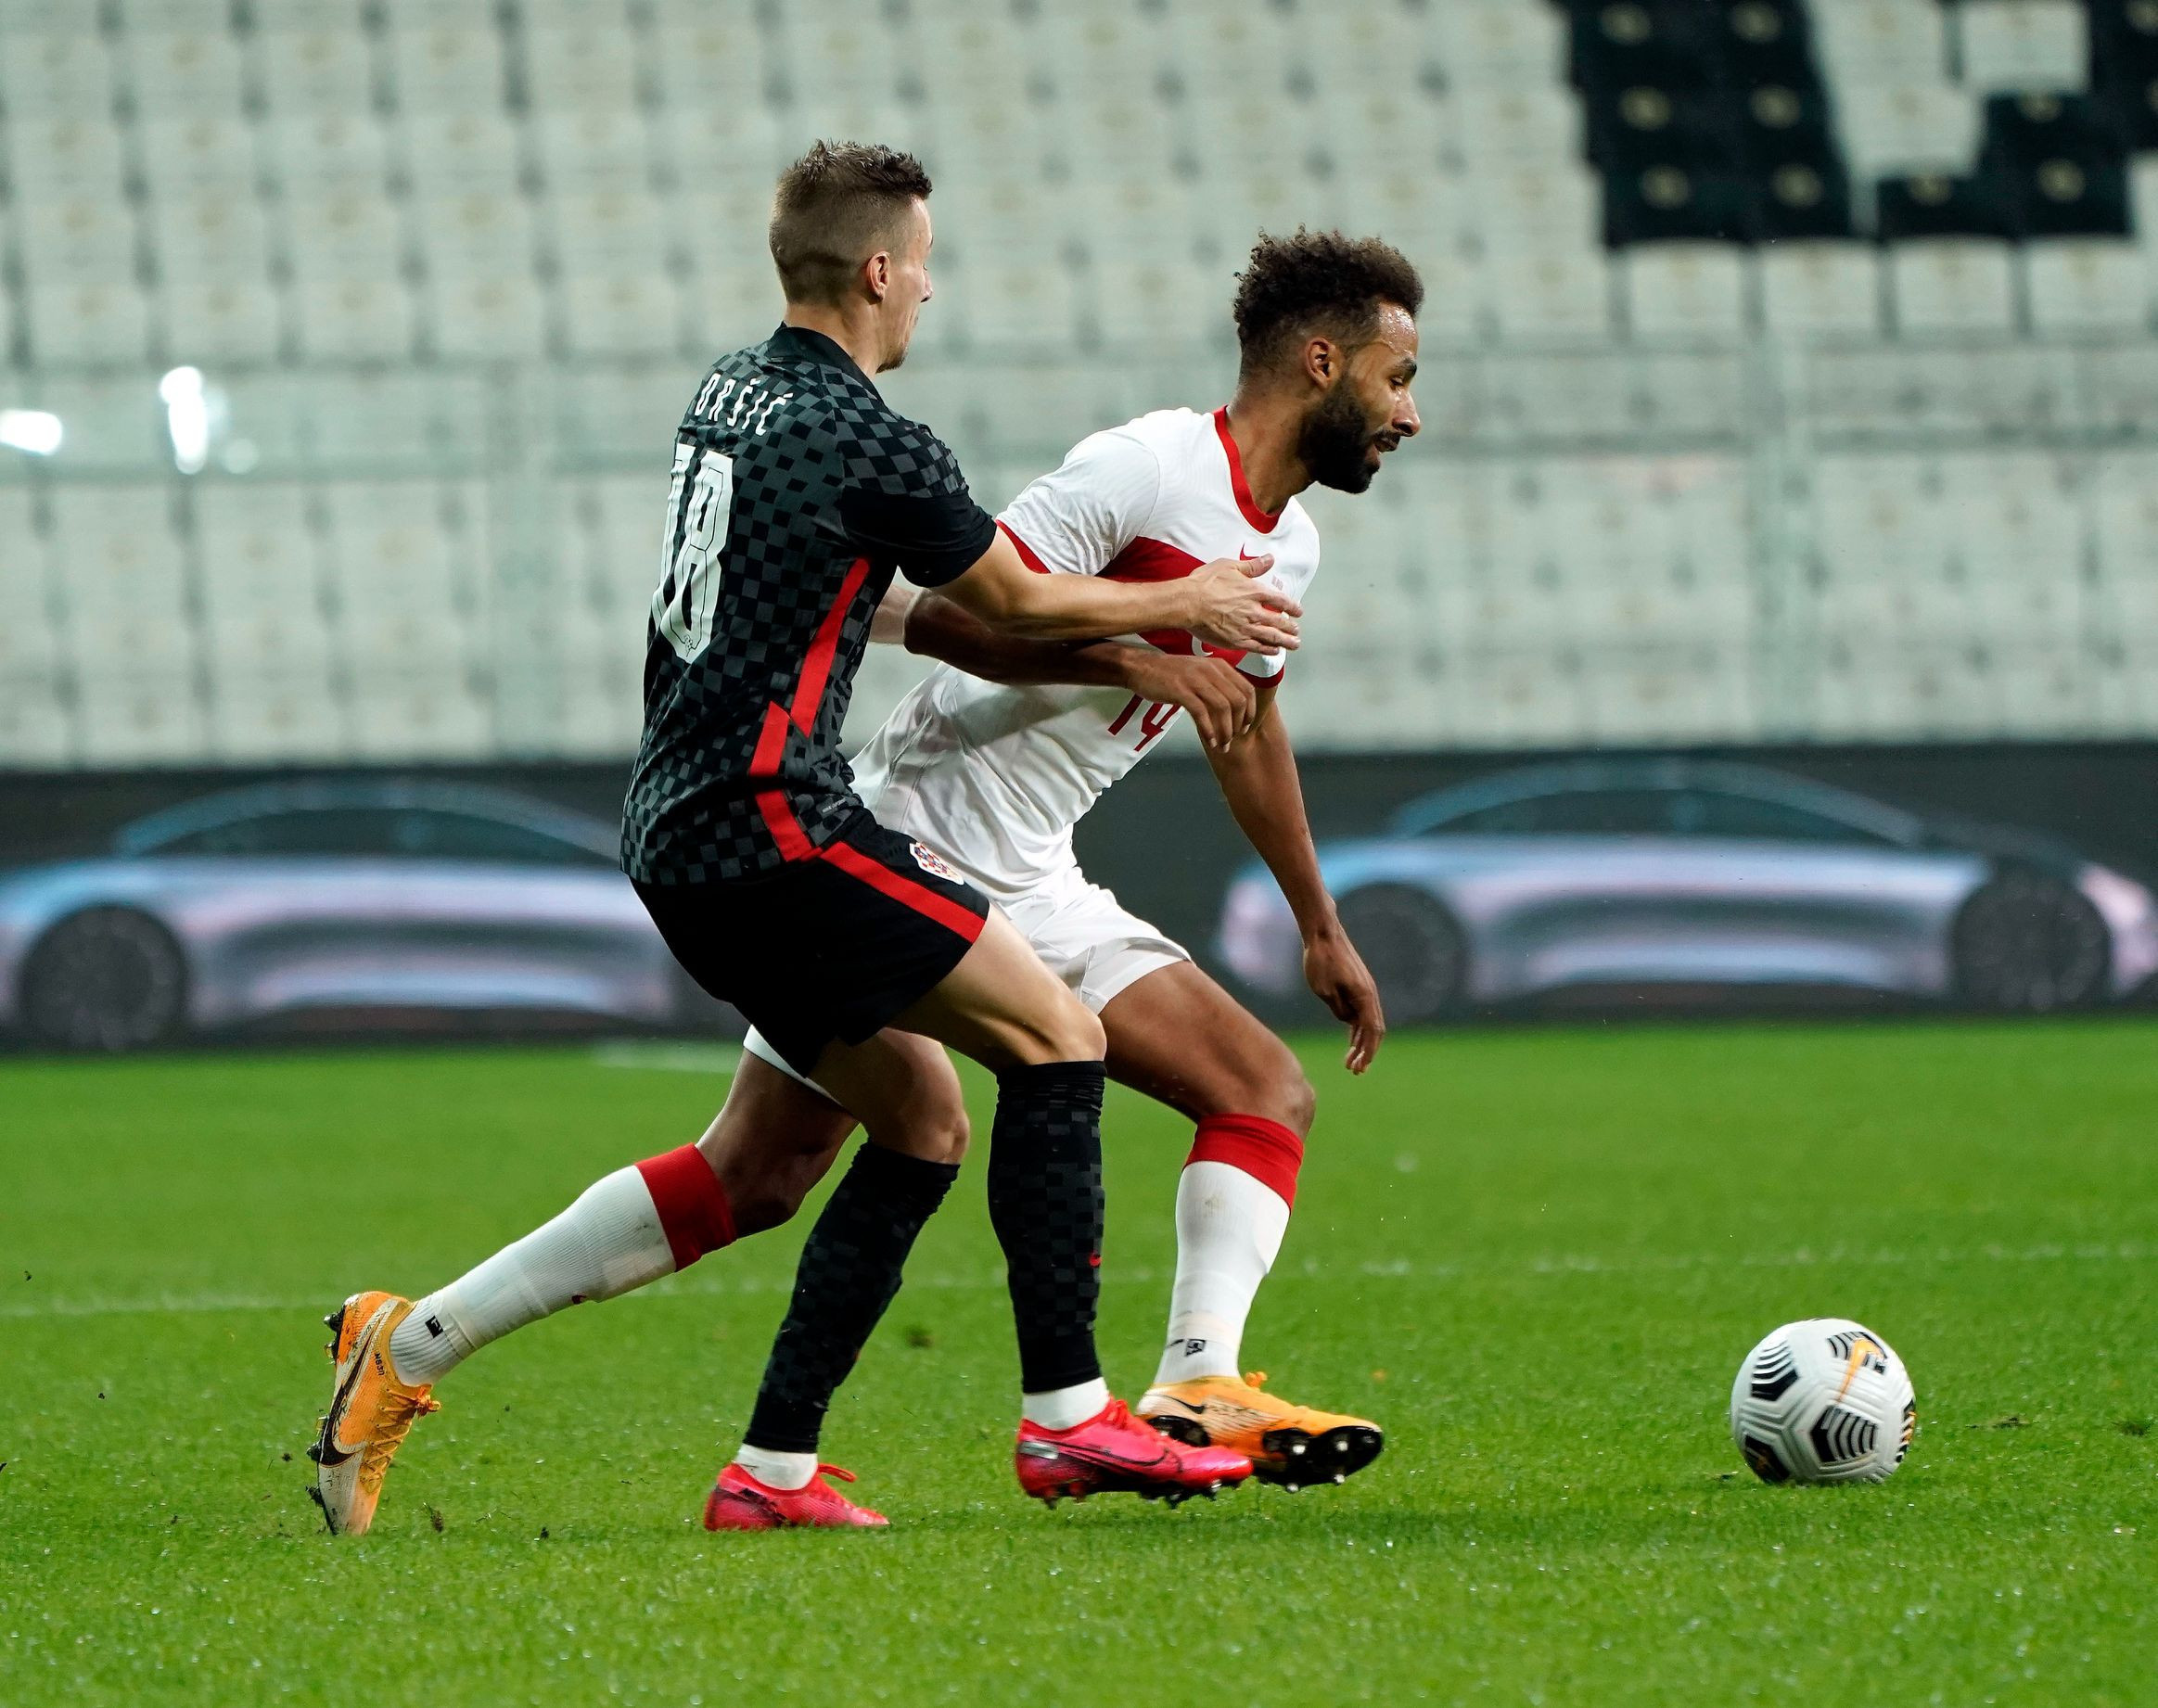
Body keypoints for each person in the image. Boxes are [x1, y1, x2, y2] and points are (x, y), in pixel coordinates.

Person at [307, 142, 1290, 1537]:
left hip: (678, 825)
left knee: (902, 1128)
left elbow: (893, 600)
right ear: (881, 271)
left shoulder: (728, 394)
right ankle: (1071, 1417)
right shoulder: (875, 440)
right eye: (924, 266)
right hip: (776, 827)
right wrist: (1181, 602)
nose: (930, 291)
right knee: (1058, 1039)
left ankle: (677, 1441)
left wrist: (1123, 644)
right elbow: (1012, 601)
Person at [717, 227, 1424, 1514]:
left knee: (1262, 1088)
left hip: (1035, 875)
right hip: (912, 834)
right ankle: (1050, 1421)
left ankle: (1194, 1384)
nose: (1409, 413)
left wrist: (1318, 922)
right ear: (1322, 363)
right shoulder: (1146, 468)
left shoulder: (1292, 547)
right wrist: (1148, 645)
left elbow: (1246, 724)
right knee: (757, 1172)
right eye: (1396, 377)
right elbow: (966, 615)